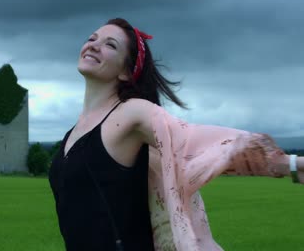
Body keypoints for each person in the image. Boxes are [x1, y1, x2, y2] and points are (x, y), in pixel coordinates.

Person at [48, 18, 304, 251]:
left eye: (110, 45)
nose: (94, 45)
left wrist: (290, 164)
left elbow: (199, 143)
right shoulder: (73, 133)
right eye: (92, 39)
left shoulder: (132, 113)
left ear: (126, 71)